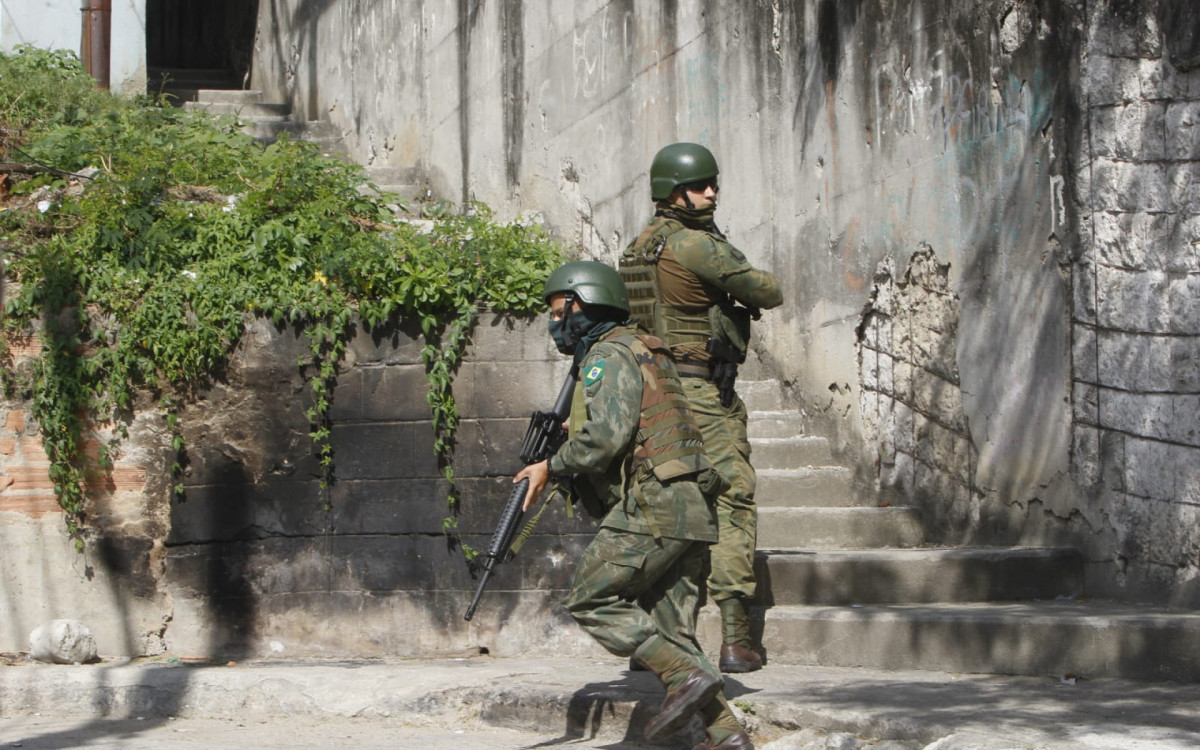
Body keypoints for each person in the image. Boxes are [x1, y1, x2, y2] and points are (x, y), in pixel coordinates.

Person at [515, 260, 754, 750]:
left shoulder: (607, 355)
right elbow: (639, 421)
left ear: (584, 304)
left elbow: (604, 440)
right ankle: (726, 735)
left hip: (656, 501)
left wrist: (549, 467)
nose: (555, 322)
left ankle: (686, 676)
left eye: (559, 311)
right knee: (672, 630)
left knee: (591, 597)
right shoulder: (645, 348)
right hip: (691, 503)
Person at [618, 142, 783, 674]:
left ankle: (659, 640)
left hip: (655, 394)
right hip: (699, 392)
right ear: (673, 192)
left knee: (671, 509)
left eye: (713, 184)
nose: (711, 192)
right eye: (699, 186)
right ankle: (736, 640)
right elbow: (767, 290)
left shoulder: (638, 249)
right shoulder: (693, 245)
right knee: (732, 499)